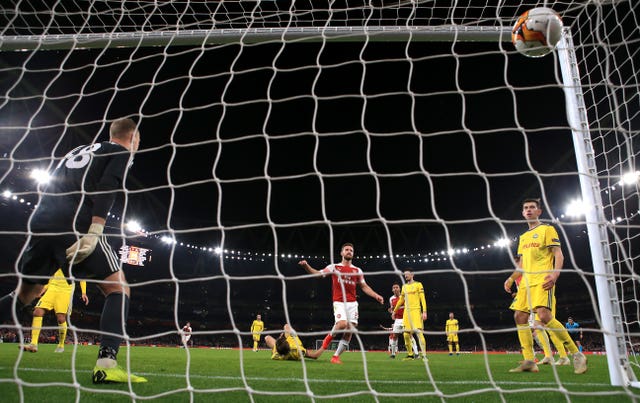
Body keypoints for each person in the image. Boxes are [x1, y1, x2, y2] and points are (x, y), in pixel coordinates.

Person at [0, 117, 146, 383]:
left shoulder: (78, 150)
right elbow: (107, 186)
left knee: (26, 293)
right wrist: (95, 230)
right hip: (75, 221)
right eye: (138, 141)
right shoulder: (120, 151)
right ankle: (106, 363)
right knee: (118, 288)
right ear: (133, 137)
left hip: (42, 219)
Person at [503, 198, 587, 374]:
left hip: (542, 279)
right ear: (522, 212)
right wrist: (511, 279)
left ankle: (576, 354)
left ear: (539, 211)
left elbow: (559, 254)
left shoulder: (547, 229)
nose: (529, 210)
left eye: (532, 207)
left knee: (544, 315)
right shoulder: (523, 237)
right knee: (519, 316)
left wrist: (555, 274)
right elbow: (522, 265)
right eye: (525, 208)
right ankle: (528, 360)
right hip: (526, 282)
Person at [298, 242, 384, 364]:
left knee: (350, 330)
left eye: (351, 250)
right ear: (342, 253)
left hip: (353, 303)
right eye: (347, 250)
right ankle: (319, 352)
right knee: (342, 324)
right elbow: (318, 274)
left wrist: (376, 295)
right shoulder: (334, 267)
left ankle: (335, 356)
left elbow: (364, 286)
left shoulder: (357, 270)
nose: (349, 251)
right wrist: (306, 266)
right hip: (339, 302)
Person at [21, 268, 89, 353]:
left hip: (65, 290)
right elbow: (51, 276)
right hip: (52, 288)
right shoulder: (57, 257)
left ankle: (61, 345)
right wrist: (43, 290)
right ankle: (33, 344)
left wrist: (84, 292)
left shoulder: (75, 258)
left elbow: (82, 276)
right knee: (37, 312)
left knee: (61, 319)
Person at [392, 269, 428, 361]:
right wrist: (395, 311)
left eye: (407, 274)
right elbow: (401, 300)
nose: (406, 276)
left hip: (416, 311)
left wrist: (424, 311)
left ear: (412, 274)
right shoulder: (404, 287)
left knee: (419, 333)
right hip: (406, 313)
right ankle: (410, 355)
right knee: (406, 334)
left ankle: (424, 355)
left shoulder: (418, 285)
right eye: (405, 275)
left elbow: (422, 299)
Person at [386, 283, 418, 358]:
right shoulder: (391, 299)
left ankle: (416, 353)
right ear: (392, 290)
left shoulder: (405, 296)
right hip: (397, 320)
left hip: (405, 319)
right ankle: (393, 354)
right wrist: (391, 311)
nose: (395, 289)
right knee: (394, 336)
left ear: (400, 289)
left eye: (397, 287)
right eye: (394, 288)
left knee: (410, 335)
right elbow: (393, 309)